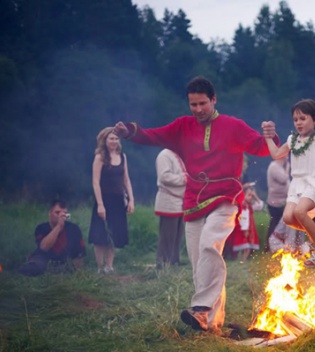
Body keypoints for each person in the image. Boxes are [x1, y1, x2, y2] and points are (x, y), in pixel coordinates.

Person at [112, 75, 278, 334]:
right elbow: (153, 135)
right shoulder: (182, 126)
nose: (198, 109)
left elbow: (261, 147)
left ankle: (200, 308)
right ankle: (212, 324)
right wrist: (130, 132)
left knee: (209, 246)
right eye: (193, 105)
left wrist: (270, 137)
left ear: (214, 100)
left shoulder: (232, 125)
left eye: (203, 103)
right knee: (200, 262)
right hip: (193, 201)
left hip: (225, 197)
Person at [264, 92, 315, 268]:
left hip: (314, 183)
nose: (298, 122)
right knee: (288, 217)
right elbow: (276, 153)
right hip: (296, 185)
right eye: (295, 119)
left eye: (303, 118)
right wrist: (268, 138)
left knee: (299, 212)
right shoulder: (292, 140)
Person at [88, 127, 134, 274]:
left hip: (118, 200)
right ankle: (100, 267)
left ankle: (109, 266)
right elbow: (95, 182)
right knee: (100, 234)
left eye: (116, 139)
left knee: (114, 233)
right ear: (105, 140)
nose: (114, 141)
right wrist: (100, 205)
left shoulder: (122, 157)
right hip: (104, 199)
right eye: (111, 139)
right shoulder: (100, 157)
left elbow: (126, 179)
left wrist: (131, 199)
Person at [19, 199, 86, 276]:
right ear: (50, 213)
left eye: (64, 213)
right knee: (33, 268)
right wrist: (58, 227)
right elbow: (43, 247)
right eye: (57, 213)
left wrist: (79, 272)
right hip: (44, 259)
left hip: (64, 261)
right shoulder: (41, 228)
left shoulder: (73, 228)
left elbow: (79, 254)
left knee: (68, 269)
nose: (61, 216)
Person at [154, 148, 186, 269]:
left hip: (180, 201)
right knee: (168, 235)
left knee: (178, 234)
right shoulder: (164, 155)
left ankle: (174, 261)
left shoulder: (179, 154)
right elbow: (164, 176)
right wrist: (183, 178)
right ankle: (162, 264)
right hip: (168, 200)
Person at [230, 182, 264, 260]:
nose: (251, 197)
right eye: (249, 195)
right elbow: (243, 218)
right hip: (242, 229)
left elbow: (260, 206)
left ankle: (242, 260)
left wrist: (255, 196)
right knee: (244, 247)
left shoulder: (249, 205)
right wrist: (245, 229)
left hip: (248, 230)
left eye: (252, 196)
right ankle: (241, 261)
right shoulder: (242, 205)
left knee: (246, 248)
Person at [265, 157, 290, 251]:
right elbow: (283, 179)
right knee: (275, 225)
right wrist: (288, 167)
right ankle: (269, 246)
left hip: (281, 201)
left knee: (278, 224)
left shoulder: (279, 167)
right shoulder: (274, 166)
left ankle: (275, 245)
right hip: (275, 203)